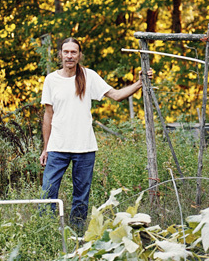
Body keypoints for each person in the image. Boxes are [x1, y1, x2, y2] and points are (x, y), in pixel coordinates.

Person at [40, 37, 152, 230]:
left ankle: (78, 233)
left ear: (79, 55)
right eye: (66, 52)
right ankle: (48, 231)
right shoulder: (52, 80)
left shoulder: (88, 76)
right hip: (57, 147)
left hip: (84, 147)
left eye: (73, 52)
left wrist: (139, 83)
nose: (69, 56)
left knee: (81, 196)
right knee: (48, 191)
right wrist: (45, 148)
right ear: (60, 54)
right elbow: (48, 116)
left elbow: (116, 95)